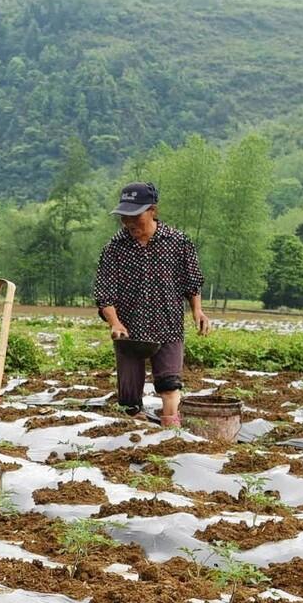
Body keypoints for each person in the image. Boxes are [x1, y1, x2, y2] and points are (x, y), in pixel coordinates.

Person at [93, 182, 210, 427]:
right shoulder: (114, 248)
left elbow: (192, 282)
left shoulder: (178, 242)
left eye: (136, 216)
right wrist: (114, 322)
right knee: (129, 401)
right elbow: (105, 294)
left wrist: (197, 310)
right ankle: (134, 441)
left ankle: (171, 438)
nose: (130, 223)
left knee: (170, 386)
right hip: (128, 331)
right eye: (125, 217)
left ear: (153, 210)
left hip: (167, 325)